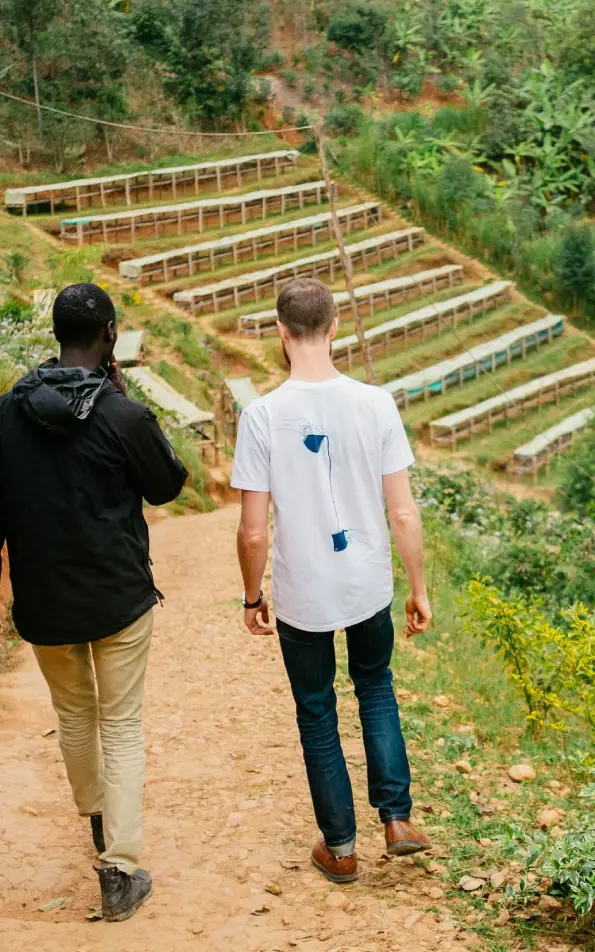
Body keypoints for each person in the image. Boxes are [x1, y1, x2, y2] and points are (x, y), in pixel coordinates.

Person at [0, 282, 188, 922]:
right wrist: (124, 398)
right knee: (120, 725)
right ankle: (119, 870)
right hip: (118, 598)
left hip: (45, 603)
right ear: (110, 335)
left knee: (76, 717)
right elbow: (168, 485)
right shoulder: (121, 414)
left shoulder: (4, 414)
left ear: (56, 335)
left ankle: (97, 818)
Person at [232, 277, 433, 884]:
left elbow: (252, 531)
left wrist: (251, 593)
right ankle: (396, 820)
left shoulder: (262, 415)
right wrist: (418, 587)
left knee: (317, 711)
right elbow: (402, 511)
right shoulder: (376, 404)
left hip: (302, 593)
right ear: (336, 326)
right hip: (367, 582)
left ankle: (341, 849)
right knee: (375, 688)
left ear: (281, 332)